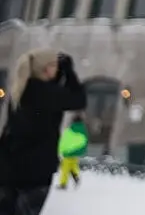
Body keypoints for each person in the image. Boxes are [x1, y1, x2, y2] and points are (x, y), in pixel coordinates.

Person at [0, 50, 87, 215]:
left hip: (9, 167)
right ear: (46, 69)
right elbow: (78, 99)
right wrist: (69, 72)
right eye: (54, 66)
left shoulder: (21, 89)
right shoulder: (45, 94)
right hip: (35, 171)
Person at [54, 119, 85, 190]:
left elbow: (65, 141)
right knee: (73, 166)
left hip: (68, 153)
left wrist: (60, 149)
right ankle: (76, 176)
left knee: (65, 169)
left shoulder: (70, 130)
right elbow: (83, 141)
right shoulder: (82, 130)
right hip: (76, 153)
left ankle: (63, 184)